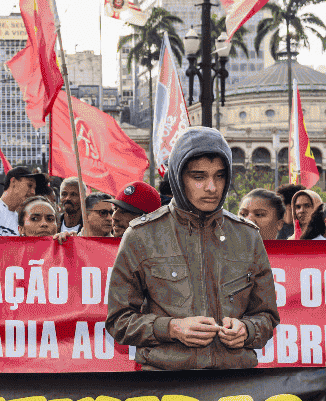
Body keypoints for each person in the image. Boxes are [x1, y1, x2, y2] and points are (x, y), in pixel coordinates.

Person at [107, 128, 278, 369]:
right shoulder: (141, 235)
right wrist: (172, 329)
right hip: (168, 388)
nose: (211, 187)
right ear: (178, 177)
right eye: (199, 177)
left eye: (219, 176)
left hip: (235, 386)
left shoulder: (247, 236)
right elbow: (118, 321)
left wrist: (246, 330)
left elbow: (267, 317)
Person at [0, 166, 41, 236]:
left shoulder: (19, 220)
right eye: (29, 185)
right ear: (13, 181)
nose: (33, 192)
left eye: (34, 188)